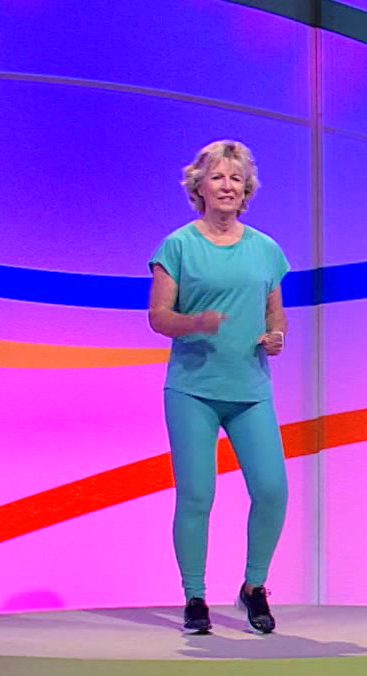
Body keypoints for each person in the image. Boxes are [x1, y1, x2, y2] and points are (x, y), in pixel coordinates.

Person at [147, 140, 290, 636]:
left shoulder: (266, 249)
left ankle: (254, 587)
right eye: (218, 177)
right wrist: (195, 323)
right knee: (197, 496)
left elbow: (275, 312)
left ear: (246, 188)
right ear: (199, 186)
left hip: (251, 389)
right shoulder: (177, 246)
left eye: (236, 178)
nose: (227, 186)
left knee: (272, 491)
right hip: (193, 390)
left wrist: (277, 336)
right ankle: (195, 597)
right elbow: (158, 317)